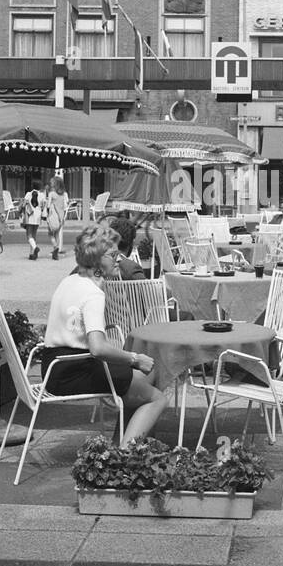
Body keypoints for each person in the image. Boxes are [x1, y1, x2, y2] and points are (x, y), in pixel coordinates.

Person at [42, 224, 168, 443]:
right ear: (98, 259)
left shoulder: (69, 281)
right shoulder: (92, 293)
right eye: (113, 255)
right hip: (75, 370)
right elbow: (98, 348)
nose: (119, 259)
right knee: (158, 400)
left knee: (149, 374)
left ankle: (122, 441)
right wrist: (134, 359)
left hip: (55, 366)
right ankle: (125, 455)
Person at [45, 174, 69, 260]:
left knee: (50, 234)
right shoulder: (63, 194)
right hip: (61, 217)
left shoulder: (51, 194)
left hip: (53, 216)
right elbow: (65, 205)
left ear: (55, 184)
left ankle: (55, 247)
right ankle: (56, 252)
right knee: (57, 234)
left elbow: (48, 206)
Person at [21, 185, 43, 260]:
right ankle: (32, 253)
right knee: (34, 235)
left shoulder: (28, 194)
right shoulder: (42, 195)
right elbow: (43, 205)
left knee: (29, 235)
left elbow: (23, 205)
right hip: (38, 216)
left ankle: (35, 248)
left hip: (30, 216)